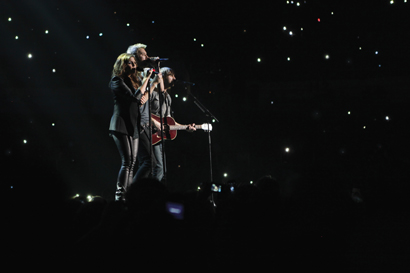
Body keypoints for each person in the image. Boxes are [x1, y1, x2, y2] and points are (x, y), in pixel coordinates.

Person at [108, 52, 153, 201]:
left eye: (134, 63)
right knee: (127, 161)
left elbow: (139, 98)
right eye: (130, 63)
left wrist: (145, 94)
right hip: (120, 124)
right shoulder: (117, 80)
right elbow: (134, 98)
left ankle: (127, 195)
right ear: (122, 65)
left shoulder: (131, 81)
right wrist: (147, 78)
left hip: (132, 125)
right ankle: (120, 196)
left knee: (133, 162)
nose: (134, 66)